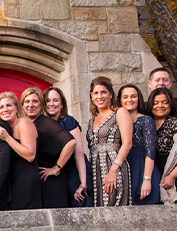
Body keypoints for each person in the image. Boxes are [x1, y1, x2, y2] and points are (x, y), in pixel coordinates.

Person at [21, 87, 76, 209]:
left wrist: (56, 168)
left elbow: (71, 142)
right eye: (27, 101)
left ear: (41, 105)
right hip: (39, 183)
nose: (31, 105)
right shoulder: (27, 125)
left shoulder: (47, 123)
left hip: (52, 183)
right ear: (22, 105)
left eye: (35, 101)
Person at [86, 77, 133, 206]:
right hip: (95, 170)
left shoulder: (120, 112)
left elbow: (127, 143)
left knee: (114, 206)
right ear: (91, 96)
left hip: (114, 166)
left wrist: (113, 170)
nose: (99, 96)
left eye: (103, 92)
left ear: (111, 94)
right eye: (96, 93)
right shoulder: (91, 120)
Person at [44, 87, 91, 206]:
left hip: (73, 171)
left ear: (62, 104)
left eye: (55, 100)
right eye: (48, 101)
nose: (51, 104)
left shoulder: (68, 121)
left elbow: (79, 153)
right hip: (58, 176)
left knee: (78, 205)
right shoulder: (43, 123)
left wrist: (83, 183)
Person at [0, 92, 42, 209]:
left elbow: (30, 155)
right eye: (1, 107)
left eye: (9, 105)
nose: (5, 109)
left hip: (26, 180)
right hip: (13, 181)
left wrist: (7, 138)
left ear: (16, 107)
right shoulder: (8, 127)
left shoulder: (24, 123)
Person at [119, 84, 160, 205]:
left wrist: (147, 179)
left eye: (133, 96)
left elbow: (150, 152)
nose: (129, 100)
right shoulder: (116, 122)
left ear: (139, 99)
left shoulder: (146, 120)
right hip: (125, 168)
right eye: (125, 97)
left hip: (142, 168)